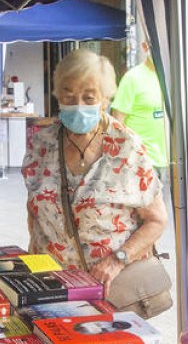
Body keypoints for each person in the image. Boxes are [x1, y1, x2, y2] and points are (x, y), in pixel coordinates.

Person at [24, 49, 167, 296]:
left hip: (113, 288)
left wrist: (117, 260)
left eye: (89, 98)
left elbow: (156, 220)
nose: (78, 106)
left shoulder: (126, 147)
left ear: (105, 99)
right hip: (52, 284)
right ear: (58, 95)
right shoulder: (42, 144)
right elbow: (33, 213)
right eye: (68, 97)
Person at [110, 39, 169, 177]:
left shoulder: (172, 78)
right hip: (140, 163)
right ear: (145, 46)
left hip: (169, 161)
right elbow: (116, 124)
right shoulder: (132, 78)